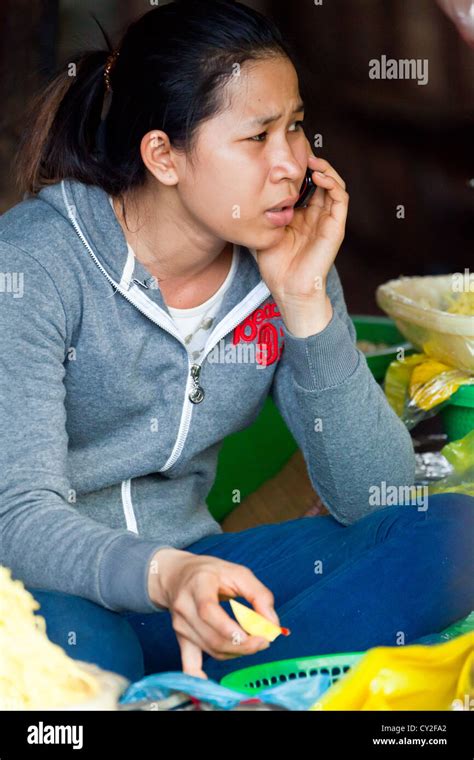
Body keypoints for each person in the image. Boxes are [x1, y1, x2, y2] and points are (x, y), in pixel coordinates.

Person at [1, 0, 472, 685]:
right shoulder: (37, 262)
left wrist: (305, 302)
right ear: (163, 155)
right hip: (56, 584)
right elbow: (17, 516)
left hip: (201, 574)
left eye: (297, 127)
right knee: (91, 658)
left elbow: (376, 496)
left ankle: (226, 690)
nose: (293, 163)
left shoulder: (286, 259)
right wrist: (168, 575)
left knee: (451, 537)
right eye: (258, 138)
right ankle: (204, 683)